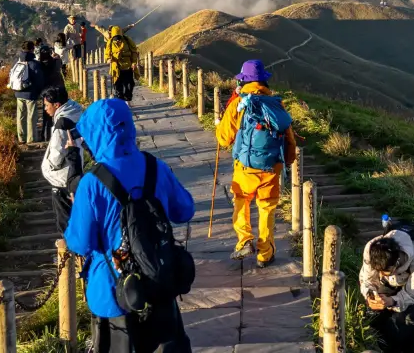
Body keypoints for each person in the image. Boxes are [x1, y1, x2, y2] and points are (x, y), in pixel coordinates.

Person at [65, 98, 195, 353]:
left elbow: (80, 243)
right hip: (158, 277)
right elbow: (185, 210)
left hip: (114, 289)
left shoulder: (91, 182)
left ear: (95, 134)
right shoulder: (155, 166)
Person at [215, 60, 296, 268]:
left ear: (243, 80)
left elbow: (223, 138)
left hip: (245, 167)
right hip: (271, 167)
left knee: (241, 201)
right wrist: (286, 161)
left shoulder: (239, 103)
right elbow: (289, 137)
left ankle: (244, 241)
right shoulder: (276, 104)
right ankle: (265, 254)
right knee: (266, 208)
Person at [359, 228, 414, 353]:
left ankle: (409, 350)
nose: (380, 273)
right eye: (378, 271)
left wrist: (392, 301)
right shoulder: (370, 250)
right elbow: (367, 279)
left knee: (407, 320)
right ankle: (392, 349)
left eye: (385, 271)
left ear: (397, 262)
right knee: (374, 315)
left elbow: (412, 294)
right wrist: (370, 295)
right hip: (391, 280)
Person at [39, 86, 84, 233]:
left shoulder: (61, 123)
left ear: (57, 105)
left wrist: (49, 166)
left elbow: (57, 153)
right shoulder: (76, 112)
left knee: (64, 219)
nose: (45, 109)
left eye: (47, 105)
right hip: (77, 166)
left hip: (62, 177)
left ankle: (68, 244)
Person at [9, 41, 46, 144]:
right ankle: (31, 139)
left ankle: (21, 138)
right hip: (31, 94)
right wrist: (39, 92)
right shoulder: (34, 64)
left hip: (18, 92)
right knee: (31, 117)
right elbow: (39, 80)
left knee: (20, 116)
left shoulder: (17, 62)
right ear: (32, 49)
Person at [102, 26, 139, 101]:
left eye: (119, 37)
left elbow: (134, 52)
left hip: (128, 66)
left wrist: (134, 62)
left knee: (129, 85)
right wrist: (108, 59)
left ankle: (127, 98)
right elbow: (107, 53)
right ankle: (120, 100)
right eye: (115, 38)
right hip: (116, 67)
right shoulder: (110, 42)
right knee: (118, 85)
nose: (117, 40)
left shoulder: (127, 40)